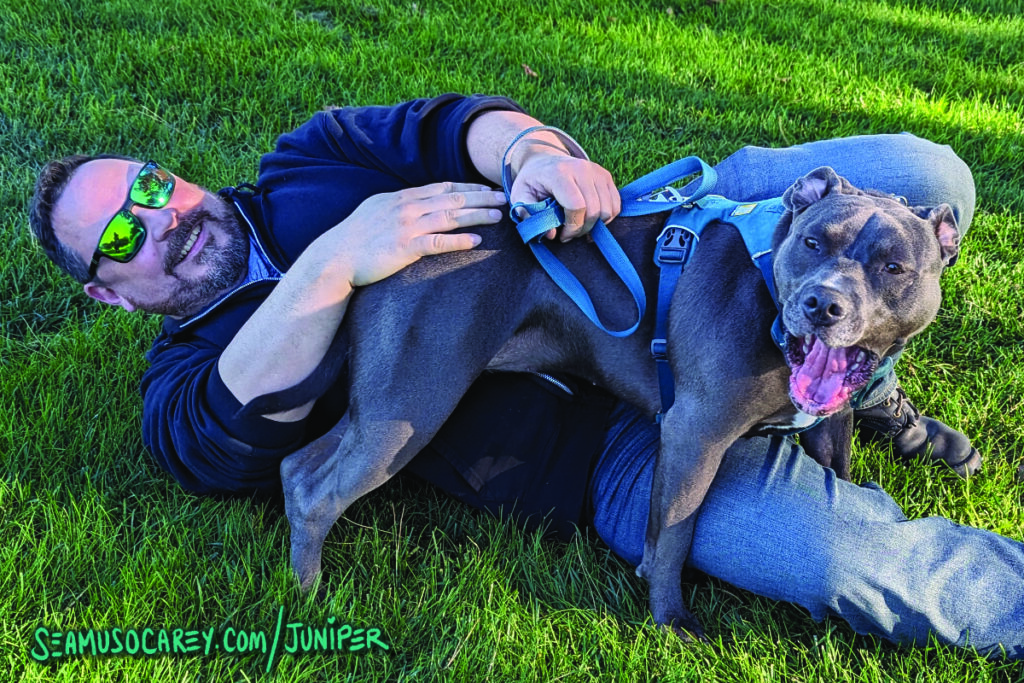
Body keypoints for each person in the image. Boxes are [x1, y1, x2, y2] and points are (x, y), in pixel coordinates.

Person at [29, 94, 1020, 658]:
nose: (159, 217)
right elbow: (219, 443)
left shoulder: (303, 161)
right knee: (849, 561)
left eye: (149, 185)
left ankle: (852, 375)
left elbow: (451, 123)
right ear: (106, 292)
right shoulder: (185, 380)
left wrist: (534, 152)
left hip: (673, 243)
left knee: (929, 175)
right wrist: (332, 262)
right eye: (120, 234)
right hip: (610, 456)